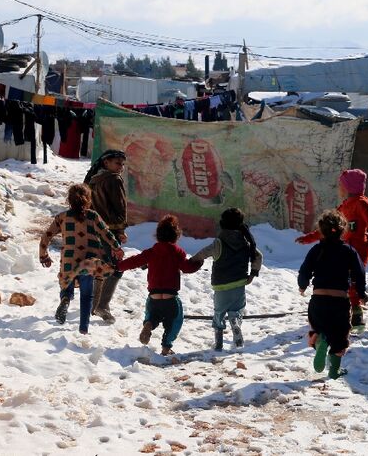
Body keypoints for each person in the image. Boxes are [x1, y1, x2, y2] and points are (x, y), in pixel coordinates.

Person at [296, 169, 368, 329]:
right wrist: (309, 237)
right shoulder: (344, 206)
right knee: (346, 280)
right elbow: (327, 228)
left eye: (341, 185)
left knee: (353, 279)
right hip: (341, 249)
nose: (339, 188)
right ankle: (353, 308)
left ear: (349, 187)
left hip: (357, 251)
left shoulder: (361, 203)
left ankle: (357, 313)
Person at [39, 184, 123, 334]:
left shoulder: (62, 218)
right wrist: (116, 247)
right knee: (86, 295)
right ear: (88, 200)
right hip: (89, 261)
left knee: (67, 284)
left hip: (69, 259)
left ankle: (65, 299)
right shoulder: (93, 216)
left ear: (69, 200)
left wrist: (43, 255)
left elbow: (46, 236)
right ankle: (83, 328)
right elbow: (106, 233)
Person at [117, 215, 203, 355]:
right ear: (176, 236)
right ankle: (166, 348)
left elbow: (134, 261)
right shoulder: (177, 252)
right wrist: (199, 262)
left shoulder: (152, 252)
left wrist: (118, 266)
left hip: (154, 297)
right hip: (171, 298)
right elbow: (188, 268)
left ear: (158, 235)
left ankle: (149, 324)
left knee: (152, 315)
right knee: (174, 321)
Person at [298, 209, 367, 379]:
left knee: (318, 328)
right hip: (339, 302)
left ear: (321, 230)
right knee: (340, 337)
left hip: (318, 300)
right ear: (343, 229)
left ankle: (320, 340)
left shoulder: (316, 250)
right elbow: (360, 272)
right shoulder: (348, 251)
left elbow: (304, 270)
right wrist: (361, 292)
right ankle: (334, 370)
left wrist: (303, 285)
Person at [189, 208, 263, 351]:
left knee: (219, 312)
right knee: (237, 310)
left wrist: (192, 261)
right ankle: (235, 322)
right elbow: (258, 256)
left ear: (222, 224)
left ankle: (218, 342)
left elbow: (203, 253)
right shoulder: (245, 243)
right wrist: (253, 274)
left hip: (221, 286)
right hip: (239, 283)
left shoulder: (218, 243)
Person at [84, 149, 128, 324]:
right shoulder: (113, 179)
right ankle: (102, 305)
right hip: (109, 232)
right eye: (118, 163)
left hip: (91, 230)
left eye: (122, 164)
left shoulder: (93, 180)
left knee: (100, 267)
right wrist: (120, 231)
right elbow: (120, 208)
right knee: (116, 268)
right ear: (106, 163)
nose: (121, 167)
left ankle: (94, 305)